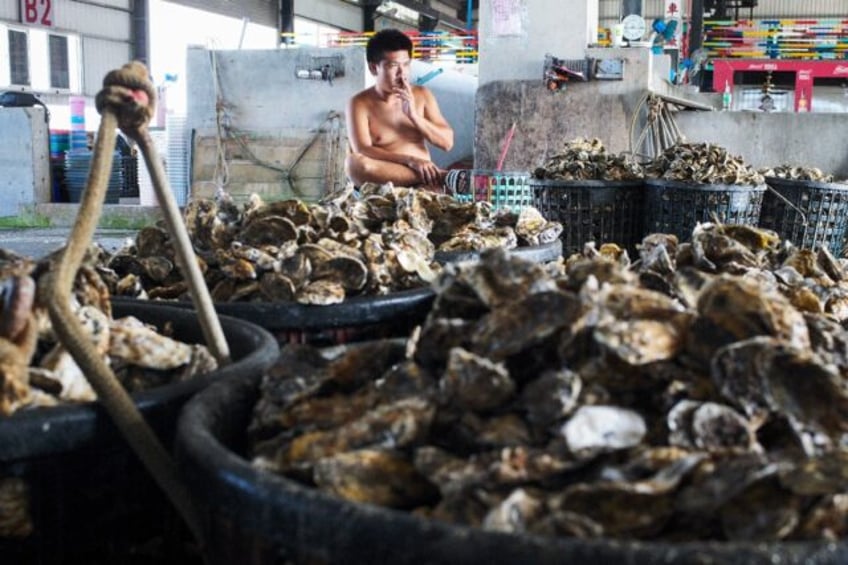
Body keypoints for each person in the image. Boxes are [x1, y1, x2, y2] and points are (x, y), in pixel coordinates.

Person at [345, 29, 454, 190]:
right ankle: (443, 177)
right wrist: (410, 160)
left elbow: (447, 143)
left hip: (424, 182)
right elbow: (363, 149)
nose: (402, 73)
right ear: (374, 68)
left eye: (406, 65)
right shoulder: (359, 103)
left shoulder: (422, 94)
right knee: (354, 164)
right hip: (386, 178)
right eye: (393, 66)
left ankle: (435, 177)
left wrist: (414, 116)